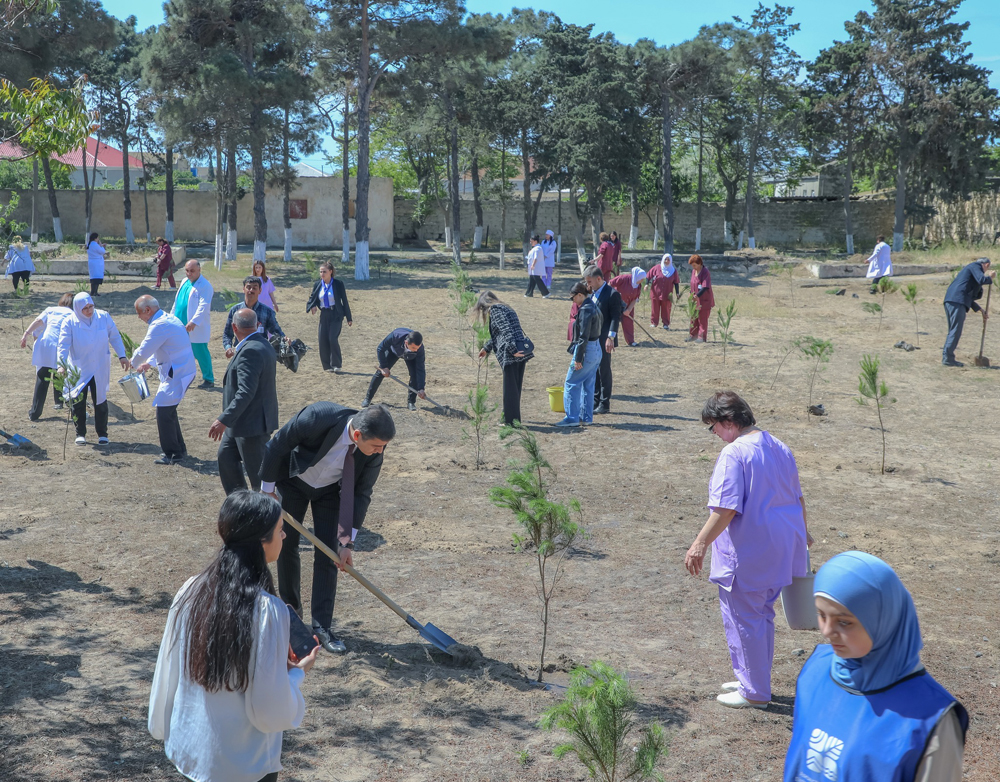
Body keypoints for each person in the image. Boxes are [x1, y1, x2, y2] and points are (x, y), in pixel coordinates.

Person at [149, 491, 318, 782]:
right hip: (243, 765)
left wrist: (162, 727)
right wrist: (296, 675)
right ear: (260, 541)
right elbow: (268, 710)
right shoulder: (267, 610)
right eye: (280, 530)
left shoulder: (191, 591)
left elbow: (168, 667)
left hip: (191, 750)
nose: (285, 536)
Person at [784, 551, 968, 782]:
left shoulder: (929, 719)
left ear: (884, 619)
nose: (827, 632)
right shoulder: (816, 672)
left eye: (844, 622)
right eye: (821, 615)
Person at [684, 391, 811, 710]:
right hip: (782, 547)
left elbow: (725, 509)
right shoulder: (779, 445)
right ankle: (752, 678)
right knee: (761, 614)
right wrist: (804, 534)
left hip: (751, 551)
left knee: (745, 617)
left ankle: (754, 692)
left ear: (728, 422)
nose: (714, 435)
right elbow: (798, 498)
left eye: (712, 427)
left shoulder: (735, 453)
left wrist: (699, 543)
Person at [260, 403, 395, 653]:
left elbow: (362, 493)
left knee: (329, 554)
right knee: (286, 545)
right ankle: (292, 615)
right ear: (357, 435)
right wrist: (267, 491)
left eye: (383, 447)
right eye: (377, 446)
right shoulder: (317, 417)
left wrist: (347, 543)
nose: (380, 452)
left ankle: (322, 626)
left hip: (331, 494)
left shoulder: (375, 452)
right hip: (293, 481)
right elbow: (277, 445)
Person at [210, 308, 278, 493]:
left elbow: (246, 392)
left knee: (259, 481)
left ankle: (268, 516)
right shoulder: (262, 344)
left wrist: (224, 419)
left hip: (251, 427)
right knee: (226, 458)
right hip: (240, 424)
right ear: (257, 325)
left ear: (234, 327)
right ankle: (240, 507)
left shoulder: (250, 351)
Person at [129, 295, 198, 465]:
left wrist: (132, 362)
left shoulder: (159, 325)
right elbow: (161, 345)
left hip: (178, 373)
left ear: (147, 310)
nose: (139, 317)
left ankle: (173, 454)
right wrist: (148, 364)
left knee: (164, 413)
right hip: (180, 370)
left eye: (139, 313)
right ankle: (179, 449)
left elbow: (145, 348)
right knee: (169, 412)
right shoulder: (167, 319)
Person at [56, 292, 129, 445]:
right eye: (85, 308)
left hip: (99, 366)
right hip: (79, 367)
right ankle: (80, 433)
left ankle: (102, 433)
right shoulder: (69, 322)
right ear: (77, 309)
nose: (89, 311)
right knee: (78, 401)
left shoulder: (103, 317)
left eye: (91, 307)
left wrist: (122, 355)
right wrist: (61, 365)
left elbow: (114, 336)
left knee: (100, 400)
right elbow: (63, 345)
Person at [475, 291, 532, 426]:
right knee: (515, 387)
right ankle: (513, 419)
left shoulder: (495, 310)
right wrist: (487, 348)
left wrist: (513, 351)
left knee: (510, 389)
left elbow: (506, 331)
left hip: (511, 353)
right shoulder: (506, 307)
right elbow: (499, 333)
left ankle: (510, 422)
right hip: (520, 350)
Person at [20, 293, 74, 420]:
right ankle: (72, 409)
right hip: (62, 346)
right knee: (65, 377)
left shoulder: (50, 310)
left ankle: (34, 413)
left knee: (42, 378)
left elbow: (38, 323)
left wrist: (26, 334)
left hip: (46, 343)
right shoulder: (73, 314)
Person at [556, 282, 603, 427]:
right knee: (588, 385)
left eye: (573, 298)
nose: (572, 301)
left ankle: (572, 418)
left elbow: (583, 337)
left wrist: (578, 358)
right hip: (596, 349)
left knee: (571, 383)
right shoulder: (594, 305)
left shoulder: (585, 310)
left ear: (580, 295)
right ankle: (586, 417)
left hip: (587, 350)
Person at [583, 265, 622, 415]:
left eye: (590, 281)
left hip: (605, 339)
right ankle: (595, 400)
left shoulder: (612, 294)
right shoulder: (592, 293)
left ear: (599, 279)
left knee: (604, 370)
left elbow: (615, 317)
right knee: (594, 370)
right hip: (593, 338)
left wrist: (610, 337)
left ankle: (604, 403)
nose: (588, 285)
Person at [942, 257, 995, 367]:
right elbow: (982, 280)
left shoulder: (971, 273)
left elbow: (969, 297)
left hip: (953, 300)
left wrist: (981, 310)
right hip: (956, 301)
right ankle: (948, 359)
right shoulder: (975, 266)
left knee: (953, 331)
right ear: (986, 265)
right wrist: (989, 278)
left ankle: (947, 357)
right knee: (955, 331)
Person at [172, 260, 215, 389]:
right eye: (187, 271)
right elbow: (177, 301)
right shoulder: (184, 282)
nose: (189, 273)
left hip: (195, 327)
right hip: (179, 324)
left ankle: (209, 378)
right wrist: (171, 317)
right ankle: (181, 376)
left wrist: (194, 322)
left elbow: (204, 306)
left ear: (199, 270)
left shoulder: (205, 286)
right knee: (180, 352)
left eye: (192, 271)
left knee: (200, 352)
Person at [363, 328, 426, 412]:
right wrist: (384, 367)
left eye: (417, 348)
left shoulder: (419, 349)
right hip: (394, 352)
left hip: (411, 357)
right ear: (406, 342)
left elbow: (420, 369)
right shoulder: (395, 335)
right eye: (414, 347)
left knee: (414, 375)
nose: (416, 350)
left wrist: (421, 388)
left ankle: (411, 402)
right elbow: (380, 349)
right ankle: (368, 398)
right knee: (380, 373)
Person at [306, 262, 352, 373]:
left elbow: (344, 301)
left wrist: (349, 317)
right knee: (323, 339)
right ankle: (327, 366)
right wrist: (312, 307)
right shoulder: (318, 285)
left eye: (324, 272)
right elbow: (313, 298)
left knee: (332, 338)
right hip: (324, 315)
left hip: (336, 314)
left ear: (330, 272)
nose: (322, 274)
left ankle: (336, 365)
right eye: (321, 272)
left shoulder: (338, 284)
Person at [223, 276, 284, 358]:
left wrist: (285, 339)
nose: (251, 290)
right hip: (240, 354)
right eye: (248, 287)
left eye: (254, 288)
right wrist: (228, 348)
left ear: (260, 290)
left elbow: (276, 331)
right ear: (243, 289)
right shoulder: (235, 310)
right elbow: (227, 334)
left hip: (261, 354)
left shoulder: (267, 312)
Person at [608, 266, 646, 346]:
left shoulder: (638, 285)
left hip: (628, 306)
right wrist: (611, 296)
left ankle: (631, 341)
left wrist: (629, 309)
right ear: (637, 276)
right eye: (641, 279)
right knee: (613, 322)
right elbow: (610, 284)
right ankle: (611, 340)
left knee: (628, 323)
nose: (642, 281)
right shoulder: (624, 278)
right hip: (616, 304)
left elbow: (635, 298)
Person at [647, 253, 680, 330]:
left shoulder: (673, 271)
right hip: (656, 293)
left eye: (668, 260)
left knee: (666, 309)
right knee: (655, 309)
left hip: (667, 294)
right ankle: (654, 323)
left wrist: (677, 293)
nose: (666, 261)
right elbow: (648, 276)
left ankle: (666, 324)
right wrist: (646, 284)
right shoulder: (656, 268)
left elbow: (676, 283)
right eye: (665, 259)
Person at [687, 254, 714, 343]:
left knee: (702, 319)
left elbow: (705, 287)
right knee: (693, 318)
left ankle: (701, 337)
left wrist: (697, 296)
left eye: (694, 265)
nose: (693, 267)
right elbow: (692, 284)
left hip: (703, 300)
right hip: (694, 300)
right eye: (692, 265)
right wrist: (691, 295)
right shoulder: (693, 271)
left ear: (699, 264)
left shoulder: (705, 272)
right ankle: (693, 335)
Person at [86, 232, 107, 296]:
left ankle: (93, 291)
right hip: (97, 263)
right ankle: (95, 292)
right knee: (97, 278)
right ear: (96, 238)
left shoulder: (89, 244)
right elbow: (103, 252)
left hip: (92, 262)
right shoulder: (95, 245)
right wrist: (101, 245)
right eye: (98, 238)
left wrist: (100, 246)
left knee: (93, 278)